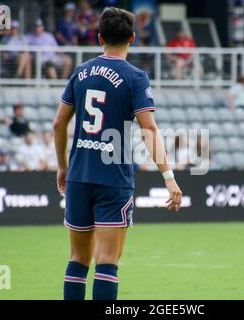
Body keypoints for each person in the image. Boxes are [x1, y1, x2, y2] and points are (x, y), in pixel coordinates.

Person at [53, 7, 182, 300]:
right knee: (107, 261)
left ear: (100, 38)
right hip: (113, 179)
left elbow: (59, 123)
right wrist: (169, 176)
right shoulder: (135, 77)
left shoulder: (81, 71)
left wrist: (62, 167)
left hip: (79, 176)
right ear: (132, 38)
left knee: (77, 259)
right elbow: (149, 129)